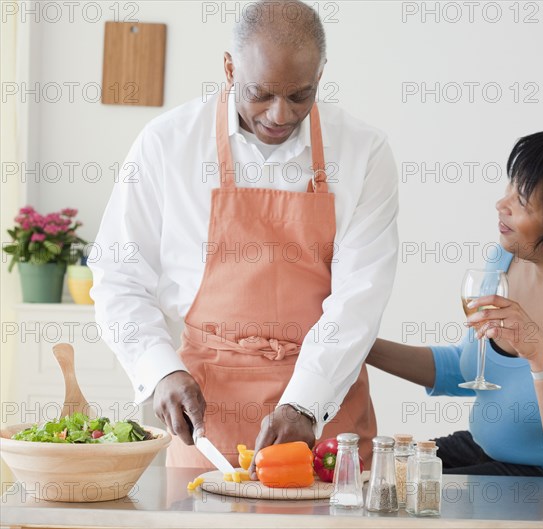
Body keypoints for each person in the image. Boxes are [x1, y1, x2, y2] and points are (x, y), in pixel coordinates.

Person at [89, 0, 398, 472]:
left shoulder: (364, 152)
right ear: (229, 68)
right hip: (207, 414)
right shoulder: (167, 143)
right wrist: (160, 371)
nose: (279, 114)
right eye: (261, 94)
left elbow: (360, 298)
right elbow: (118, 277)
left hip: (326, 408)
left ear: (321, 72)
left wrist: (306, 405)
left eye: (300, 95)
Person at [367, 124, 543, 481]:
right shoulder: (507, 260)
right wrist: (362, 347)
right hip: (481, 447)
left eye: (521, 201)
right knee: (377, 473)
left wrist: (540, 355)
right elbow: (464, 370)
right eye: (510, 187)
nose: (501, 205)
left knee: (407, 496)